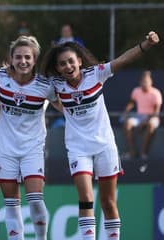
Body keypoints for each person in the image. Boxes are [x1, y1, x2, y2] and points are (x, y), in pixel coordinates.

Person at [41, 31, 159, 240]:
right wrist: (66, 109)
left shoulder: (96, 74)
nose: (67, 67)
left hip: (105, 146)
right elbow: (45, 95)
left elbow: (123, 60)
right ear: (57, 68)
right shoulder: (56, 86)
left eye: (70, 61)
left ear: (79, 60)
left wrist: (146, 45)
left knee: (108, 201)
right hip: (78, 149)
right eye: (62, 64)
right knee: (86, 198)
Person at [0, 35, 62, 240]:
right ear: (11, 59)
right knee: (12, 204)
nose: (23, 61)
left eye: (28, 57)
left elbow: (64, 107)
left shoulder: (45, 85)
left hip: (32, 149)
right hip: (5, 150)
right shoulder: (0, 78)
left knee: (36, 200)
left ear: (35, 59)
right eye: (19, 57)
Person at [122, 70, 162, 171]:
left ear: (150, 83)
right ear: (140, 83)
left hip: (152, 117)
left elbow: (156, 112)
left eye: (147, 82)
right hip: (139, 117)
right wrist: (126, 111)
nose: (145, 85)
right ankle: (132, 152)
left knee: (151, 125)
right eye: (143, 82)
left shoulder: (156, 93)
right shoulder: (136, 91)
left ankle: (143, 153)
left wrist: (144, 122)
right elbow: (132, 102)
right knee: (127, 124)